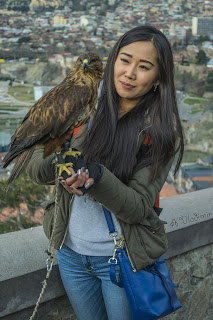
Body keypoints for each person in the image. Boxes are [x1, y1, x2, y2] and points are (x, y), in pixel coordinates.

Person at [26, 25, 184, 320]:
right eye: (124, 60)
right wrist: (69, 154)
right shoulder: (80, 105)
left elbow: (138, 208)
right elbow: (36, 171)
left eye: (144, 66)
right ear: (112, 61)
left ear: (158, 79)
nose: (129, 73)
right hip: (70, 253)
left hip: (120, 259)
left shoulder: (160, 134)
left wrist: (96, 176)